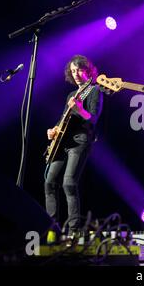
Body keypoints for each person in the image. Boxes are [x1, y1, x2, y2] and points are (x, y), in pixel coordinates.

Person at [44, 55, 103, 235]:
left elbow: (93, 118)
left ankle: (74, 231)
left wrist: (79, 109)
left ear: (88, 70)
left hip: (80, 141)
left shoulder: (94, 90)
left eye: (79, 70)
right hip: (63, 142)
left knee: (69, 183)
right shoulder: (72, 94)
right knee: (49, 182)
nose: (75, 74)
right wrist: (53, 129)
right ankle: (51, 229)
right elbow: (63, 119)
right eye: (72, 71)